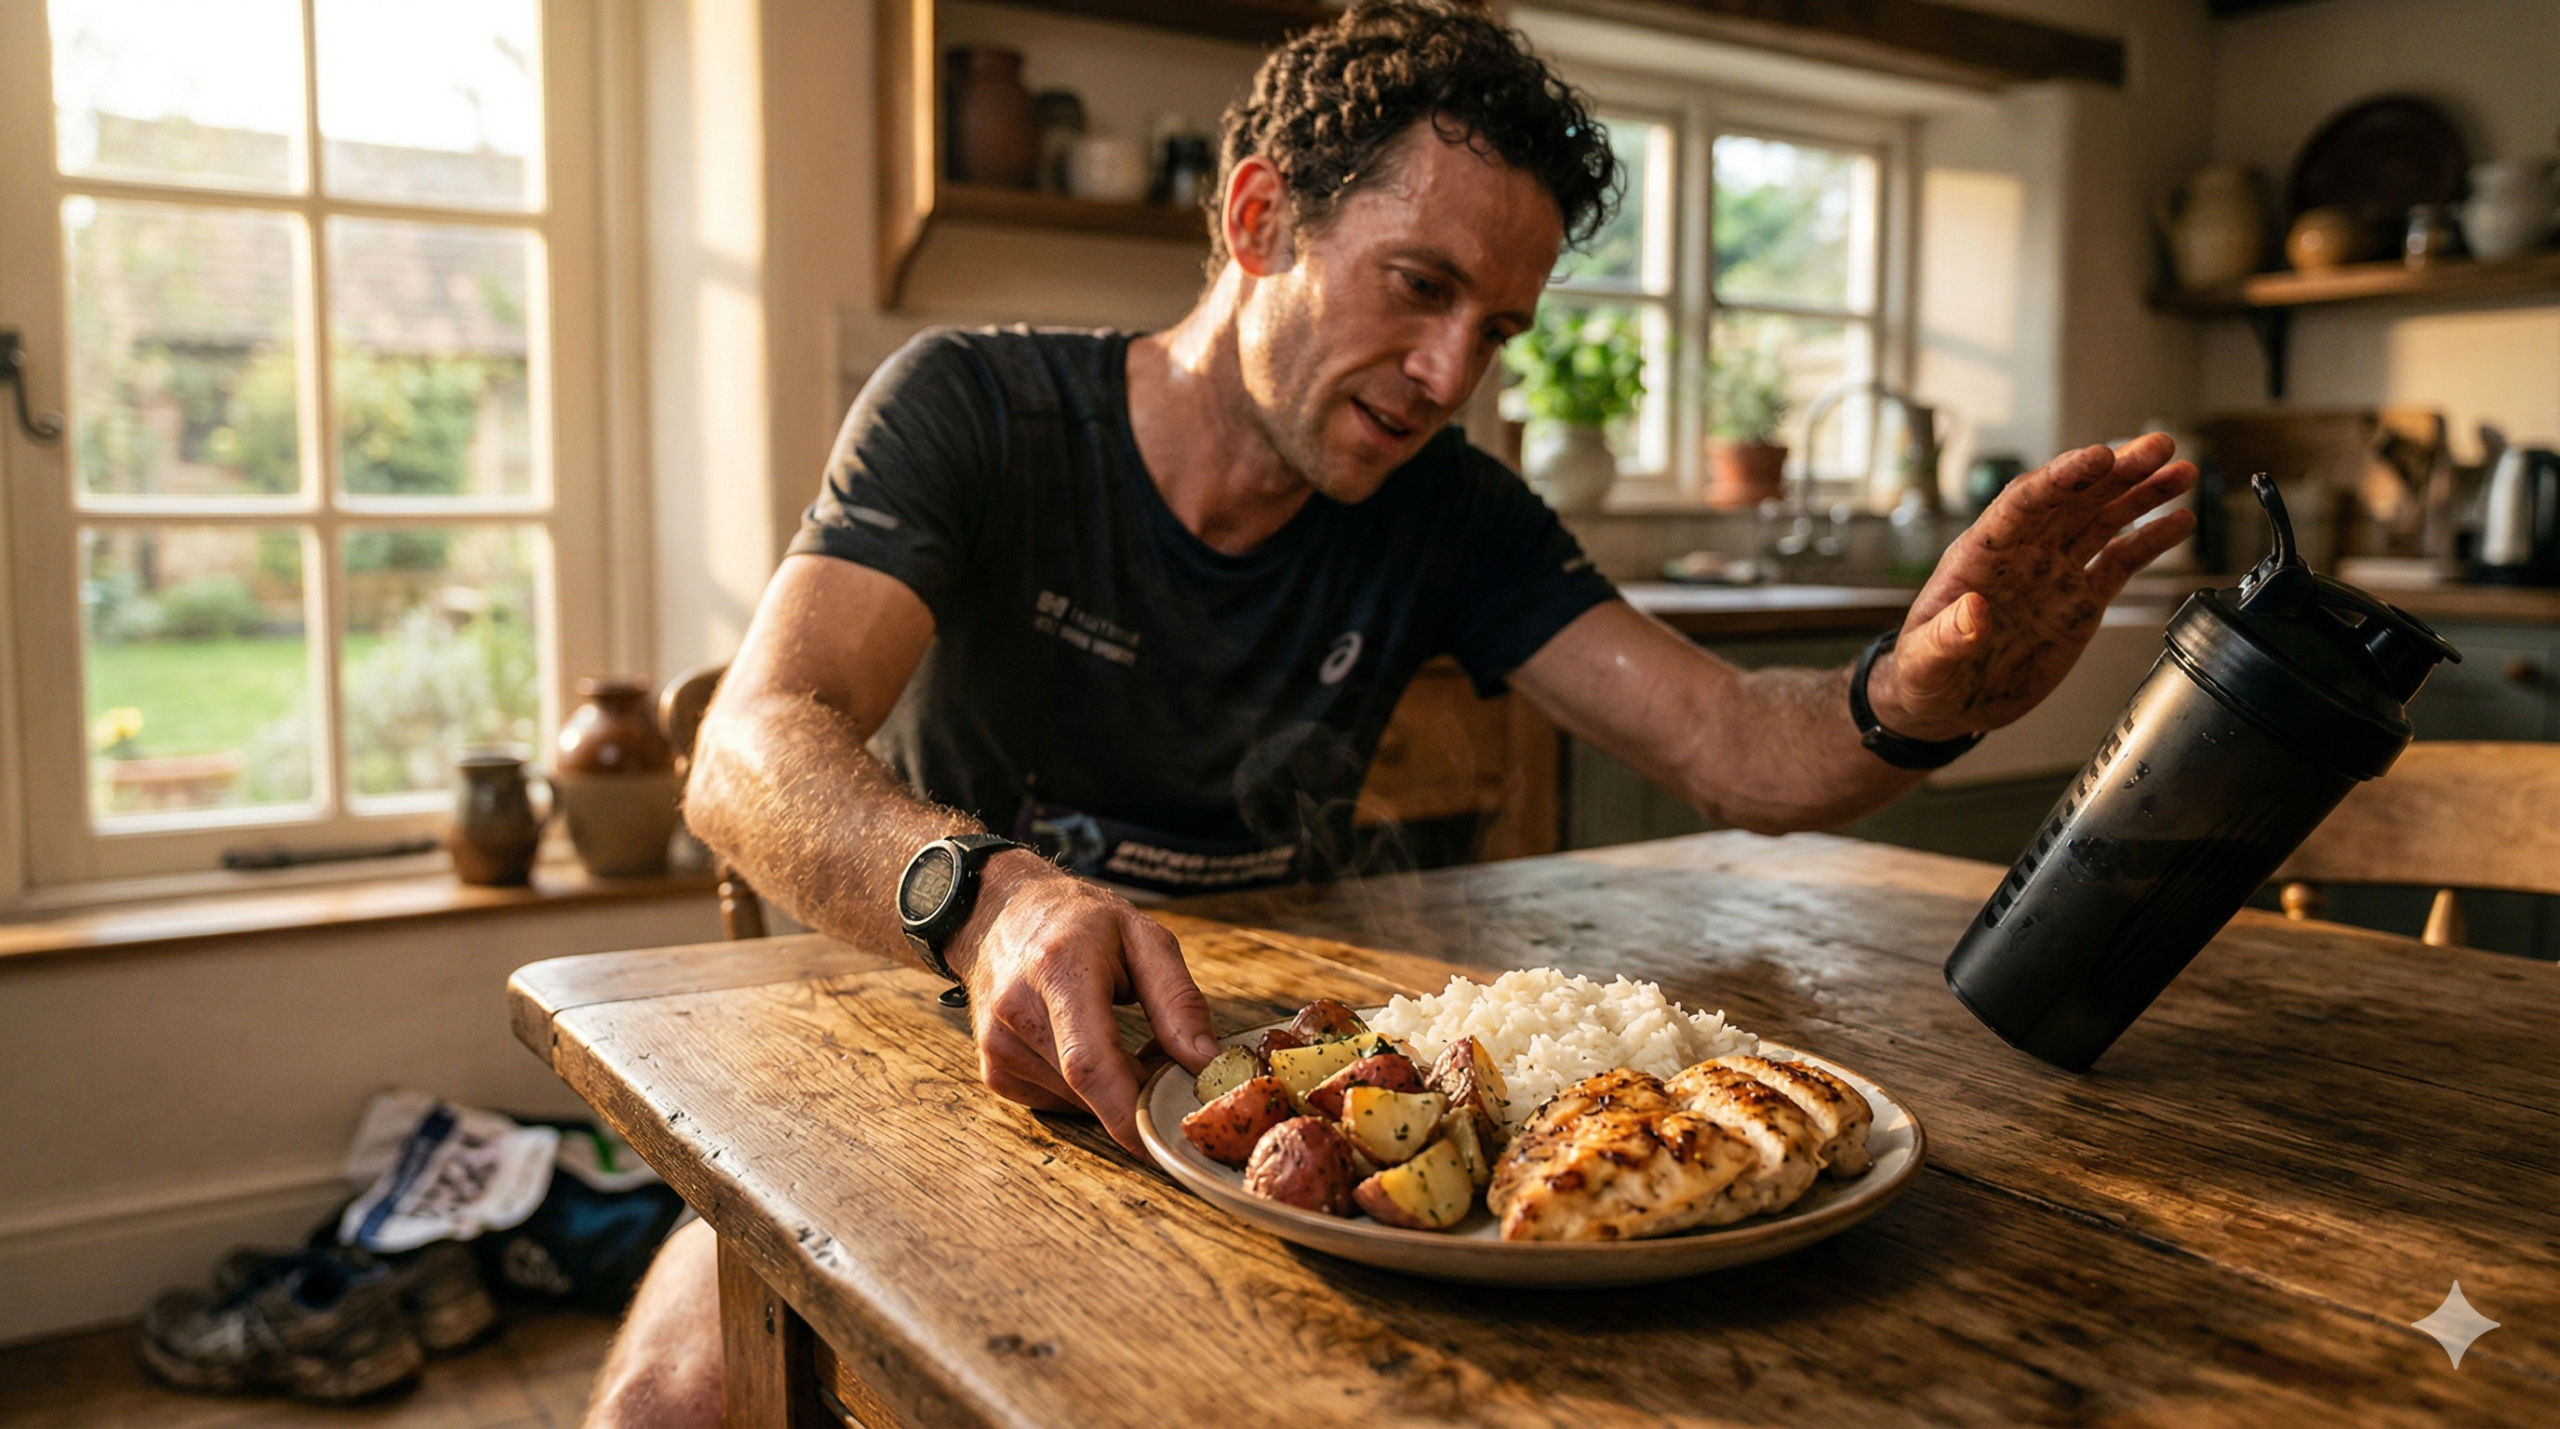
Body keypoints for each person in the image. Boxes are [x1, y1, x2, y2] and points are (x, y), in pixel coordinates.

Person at [581, 4, 2196, 1422]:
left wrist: (1912, 694)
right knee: (672, 1406)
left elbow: (1732, 745)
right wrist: (991, 902)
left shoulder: (1451, 513)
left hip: (1273, 1094)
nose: (1445, 376)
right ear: (1258, 218)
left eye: (1496, 330)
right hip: (931, 1049)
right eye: (1418, 286)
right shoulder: (977, 409)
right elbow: (748, 747)